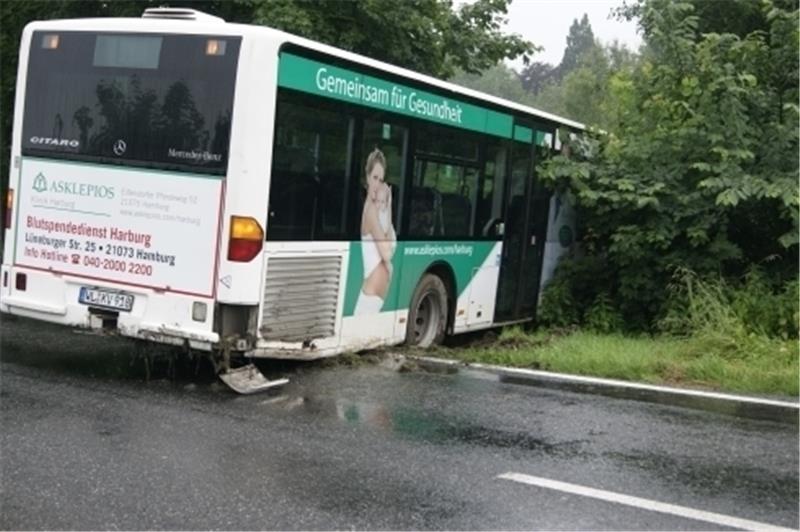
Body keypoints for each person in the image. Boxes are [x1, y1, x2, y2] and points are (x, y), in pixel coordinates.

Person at [354, 148, 396, 315]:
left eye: (381, 179)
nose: (377, 184)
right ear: (367, 177)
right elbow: (387, 254)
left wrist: (389, 205)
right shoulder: (371, 211)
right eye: (375, 177)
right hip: (368, 302)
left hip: (373, 300)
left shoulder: (378, 211)